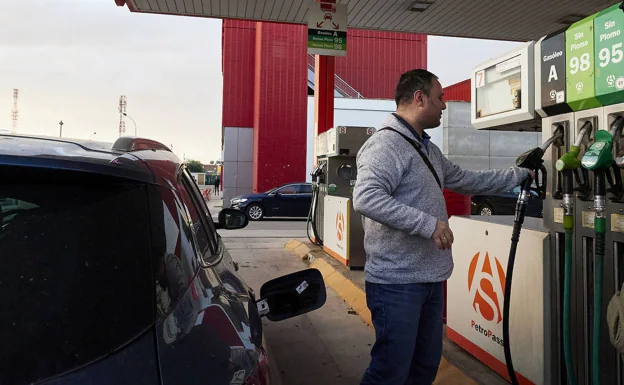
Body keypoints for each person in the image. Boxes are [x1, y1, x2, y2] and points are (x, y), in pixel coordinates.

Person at [352, 69, 532, 385]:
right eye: (440, 98)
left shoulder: (426, 149)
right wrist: (428, 224)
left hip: (429, 278)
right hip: (397, 282)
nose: (444, 106)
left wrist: (519, 174)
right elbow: (366, 198)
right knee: (390, 372)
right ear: (419, 98)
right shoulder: (386, 145)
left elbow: (467, 180)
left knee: (424, 367)